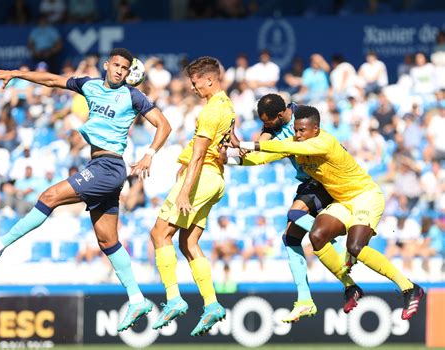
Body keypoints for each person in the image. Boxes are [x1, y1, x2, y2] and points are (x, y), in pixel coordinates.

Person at [0, 48, 172, 331]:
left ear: (129, 73)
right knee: (107, 241)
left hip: (109, 167)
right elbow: (53, 80)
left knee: (48, 196)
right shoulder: (89, 85)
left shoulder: (132, 95)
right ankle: (137, 299)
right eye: (116, 65)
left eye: (124, 69)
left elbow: (164, 124)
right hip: (101, 165)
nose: (119, 71)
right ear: (107, 65)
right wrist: (17, 74)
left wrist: (150, 153)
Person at [228, 105, 424, 320]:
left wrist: (244, 143)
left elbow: (280, 147)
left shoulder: (325, 142)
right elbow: (262, 158)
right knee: (317, 236)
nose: (298, 135)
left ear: (316, 129)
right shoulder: (296, 143)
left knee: (355, 247)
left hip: (365, 197)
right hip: (342, 201)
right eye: (296, 130)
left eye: (303, 130)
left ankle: (409, 288)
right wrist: (226, 158)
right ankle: (350, 287)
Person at [222, 94, 361, 323]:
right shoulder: (275, 127)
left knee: (296, 214)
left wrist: (249, 146)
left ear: (279, 115)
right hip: (309, 182)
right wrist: (230, 156)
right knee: (291, 238)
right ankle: (315, 297)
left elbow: (289, 145)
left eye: (267, 122)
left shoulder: (303, 118)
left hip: (325, 177)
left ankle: (341, 247)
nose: (265, 126)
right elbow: (262, 149)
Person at [149, 56, 234, 336]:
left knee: (159, 234)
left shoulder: (210, 111)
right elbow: (231, 139)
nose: (193, 88)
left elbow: (198, 156)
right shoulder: (227, 105)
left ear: (209, 80)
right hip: (216, 179)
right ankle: (212, 305)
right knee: (189, 241)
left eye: (196, 82)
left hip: (201, 177)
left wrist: (185, 190)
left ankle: (173, 298)